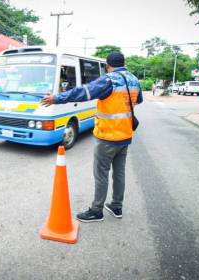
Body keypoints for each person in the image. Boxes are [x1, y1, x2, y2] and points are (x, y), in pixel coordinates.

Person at [41, 52, 143, 222]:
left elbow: (83, 92)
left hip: (107, 136)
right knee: (119, 173)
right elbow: (137, 100)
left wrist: (57, 98)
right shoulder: (133, 80)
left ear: (107, 66)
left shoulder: (109, 79)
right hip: (125, 135)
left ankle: (97, 210)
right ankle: (117, 206)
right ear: (123, 63)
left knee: (101, 174)